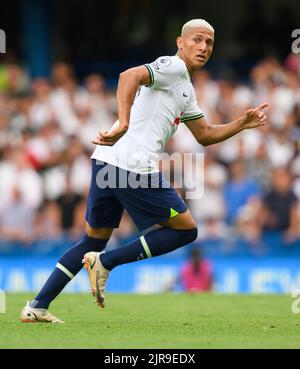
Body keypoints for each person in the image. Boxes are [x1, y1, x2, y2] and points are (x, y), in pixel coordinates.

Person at [21, 19, 268, 323]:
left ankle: (37, 305)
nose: (203, 47)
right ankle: (106, 263)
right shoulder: (173, 67)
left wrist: (241, 124)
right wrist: (123, 122)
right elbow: (129, 76)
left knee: (92, 241)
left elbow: (204, 133)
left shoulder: (185, 88)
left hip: (107, 161)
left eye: (209, 43)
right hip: (132, 164)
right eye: (197, 40)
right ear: (181, 42)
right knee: (187, 230)